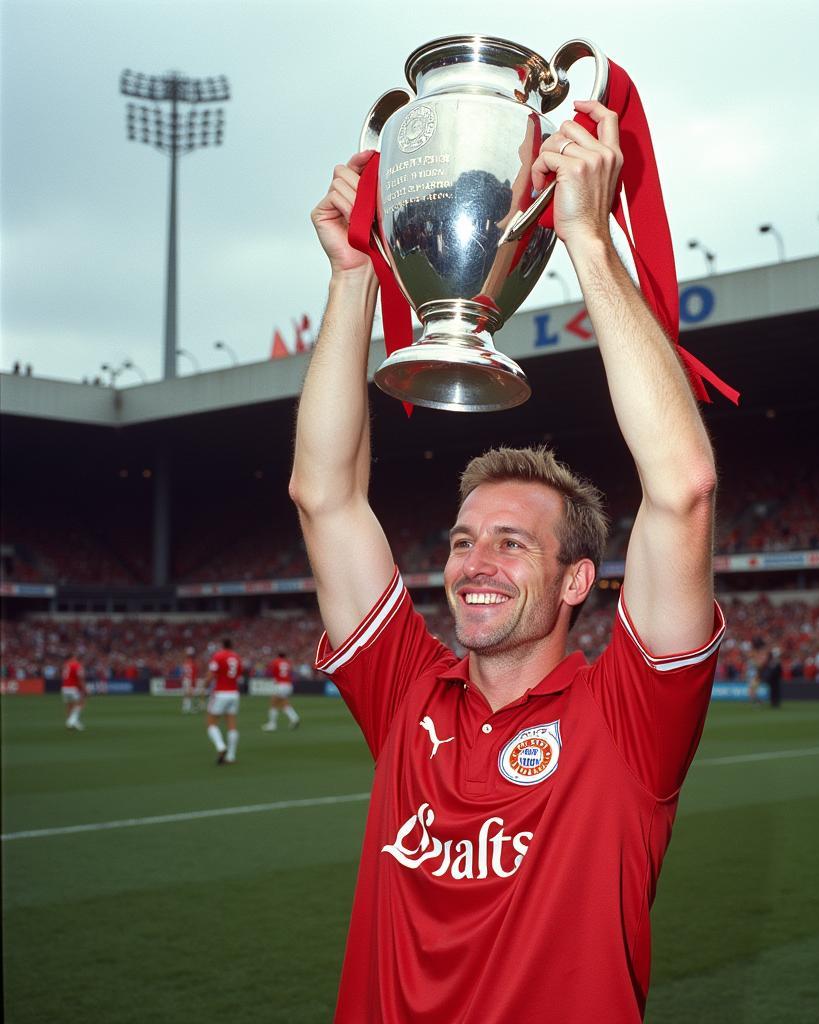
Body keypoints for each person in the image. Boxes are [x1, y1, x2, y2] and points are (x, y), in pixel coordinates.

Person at [291, 101, 724, 1023]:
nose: (473, 562)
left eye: (511, 542)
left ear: (576, 581)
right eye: (460, 539)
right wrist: (353, 278)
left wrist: (590, 246)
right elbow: (324, 496)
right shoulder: (408, 690)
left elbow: (683, 488)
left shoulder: (629, 722)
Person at [203, 638, 242, 765]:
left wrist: (204, 686)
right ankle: (231, 756)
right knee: (232, 724)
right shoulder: (237, 657)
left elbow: (211, 675)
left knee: (211, 723)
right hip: (234, 693)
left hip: (220, 692)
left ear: (222, 645)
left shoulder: (218, 656)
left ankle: (220, 746)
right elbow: (239, 674)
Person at [262, 650, 300, 731]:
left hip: (280, 684)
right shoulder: (288, 663)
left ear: (278, 656)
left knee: (274, 703)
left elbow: (270, 672)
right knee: (284, 703)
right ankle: (294, 718)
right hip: (288, 685)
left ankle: (272, 724)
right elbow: (291, 673)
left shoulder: (276, 662)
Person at [61, 653, 87, 731]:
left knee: (70, 705)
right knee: (81, 702)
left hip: (64, 687)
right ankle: (71, 721)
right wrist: (84, 688)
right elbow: (80, 678)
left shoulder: (66, 665)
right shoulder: (77, 665)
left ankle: (72, 722)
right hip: (73, 687)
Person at [181, 646, 200, 714]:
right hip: (190, 680)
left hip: (185, 680)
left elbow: (183, 673)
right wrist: (193, 682)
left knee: (187, 694)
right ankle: (191, 708)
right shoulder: (193, 664)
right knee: (192, 694)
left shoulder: (185, 663)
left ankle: (186, 708)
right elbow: (194, 674)